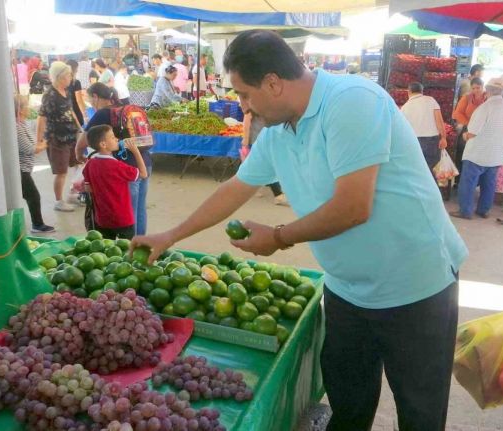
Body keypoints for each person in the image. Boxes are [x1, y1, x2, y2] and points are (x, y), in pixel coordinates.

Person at [131, 29, 467, 431]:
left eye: (244, 94)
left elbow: (353, 207)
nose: (243, 107)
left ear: (273, 83)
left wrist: (278, 237)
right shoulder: (279, 132)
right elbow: (235, 188)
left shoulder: (352, 102)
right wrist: (170, 236)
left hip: (415, 287)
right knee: (349, 403)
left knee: (420, 412)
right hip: (348, 291)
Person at [76, 83, 154, 235]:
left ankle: (130, 247)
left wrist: (78, 154)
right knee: (140, 209)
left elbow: (83, 142)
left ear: (96, 97)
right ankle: (140, 245)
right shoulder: (127, 107)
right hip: (145, 161)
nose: (91, 104)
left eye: (90, 100)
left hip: (126, 167)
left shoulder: (102, 114)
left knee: (130, 211)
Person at [450, 78, 503, 220]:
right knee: (489, 184)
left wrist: (464, 136)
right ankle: (484, 210)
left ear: (487, 91)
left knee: (468, 183)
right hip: (497, 154)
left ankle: (465, 211)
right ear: (502, 91)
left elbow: (473, 132)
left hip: (477, 153)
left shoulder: (484, 108)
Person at [83, 125, 147, 240]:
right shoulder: (118, 166)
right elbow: (143, 174)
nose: (117, 139)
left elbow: (88, 188)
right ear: (103, 144)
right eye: (112, 137)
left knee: (107, 250)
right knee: (126, 250)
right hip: (123, 218)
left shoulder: (90, 164)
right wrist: (136, 151)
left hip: (102, 218)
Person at [37, 61, 82, 212]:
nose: (71, 77)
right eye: (69, 75)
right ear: (61, 76)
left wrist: (79, 127)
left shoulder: (66, 91)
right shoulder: (50, 95)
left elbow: (71, 111)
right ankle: (58, 201)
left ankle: (73, 193)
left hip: (71, 136)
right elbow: (41, 118)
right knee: (61, 171)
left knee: (78, 164)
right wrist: (40, 140)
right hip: (57, 139)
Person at [14, 95, 55, 233]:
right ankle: (37, 224)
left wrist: (40, 145)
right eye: (26, 106)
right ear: (20, 109)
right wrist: (45, 145)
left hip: (24, 168)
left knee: (29, 195)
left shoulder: (22, 124)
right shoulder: (17, 127)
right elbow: (30, 148)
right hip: (19, 169)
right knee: (33, 196)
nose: (29, 108)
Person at [240, 111, 289, 206]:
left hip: (265, 137)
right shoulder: (252, 101)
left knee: (255, 166)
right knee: (269, 164)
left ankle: (250, 188)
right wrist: (245, 139)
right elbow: (247, 120)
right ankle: (278, 195)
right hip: (257, 138)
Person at [400, 82, 448, 171]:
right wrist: (443, 138)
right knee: (431, 169)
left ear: (409, 92)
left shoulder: (404, 108)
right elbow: (439, 121)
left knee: (417, 170)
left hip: (414, 142)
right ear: (422, 91)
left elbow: (403, 131)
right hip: (432, 141)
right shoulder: (430, 100)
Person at [453, 77, 487, 175]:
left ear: (482, 86)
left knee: (478, 154)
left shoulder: (488, 98)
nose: (476, 90)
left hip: (483, 131)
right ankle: (459, 178)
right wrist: (469, 123)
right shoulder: (466, 98)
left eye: (478, 88)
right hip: (468, 128)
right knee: (462, 152)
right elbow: (457, 113)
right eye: (473, 88)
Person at [66, 60, 86, 126]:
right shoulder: (76, 82)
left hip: (65, 111)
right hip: (75, 111)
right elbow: (79, 100)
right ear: (74, 69)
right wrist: (85, 115)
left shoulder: (62, 82)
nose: (77, 70)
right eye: (77, 68)